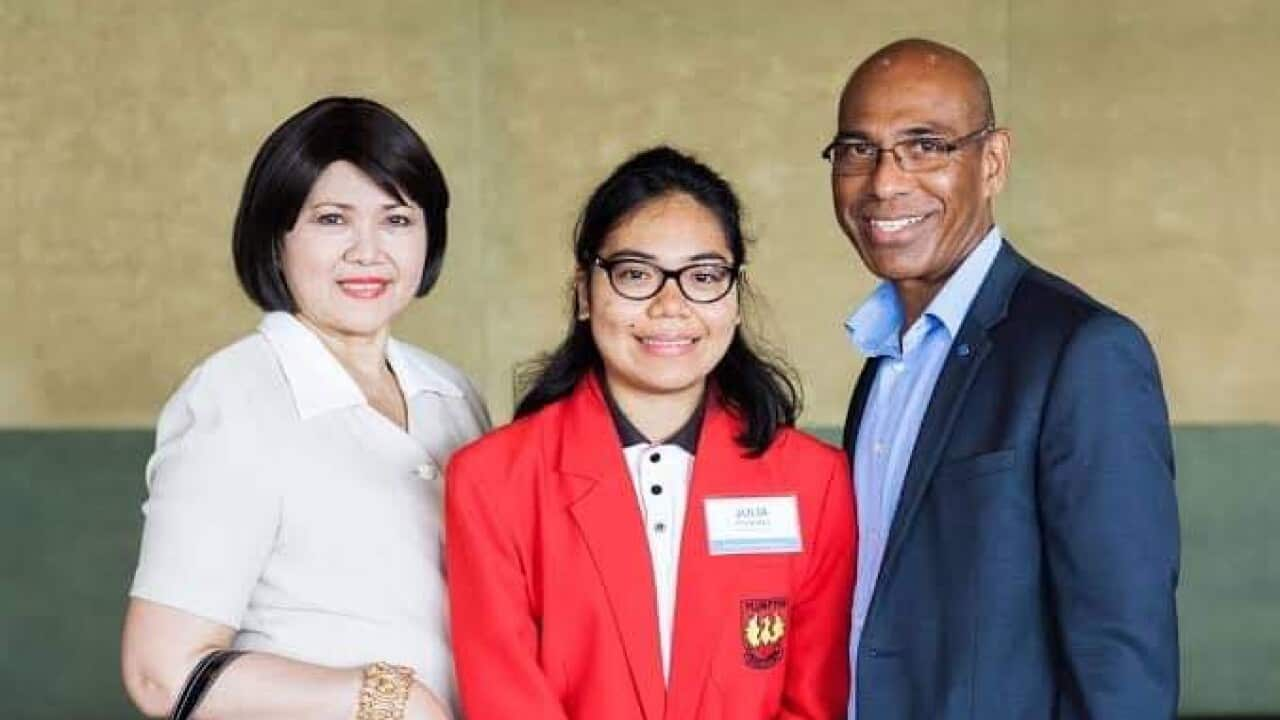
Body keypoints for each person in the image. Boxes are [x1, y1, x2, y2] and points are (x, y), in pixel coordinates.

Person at [822, 38, 1180, 719]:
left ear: (992, 162)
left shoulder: (1084, 352)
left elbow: (1122, 659)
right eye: (856, 150)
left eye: (925, 145)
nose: (885, 183)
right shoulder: (884, 363)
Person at [445, 146, 855, 719]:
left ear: (734, 299)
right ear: (586, 293)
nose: (670, 306)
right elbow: (507, 700)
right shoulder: (494, 481)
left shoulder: (815, 482)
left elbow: (812, 702)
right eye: (636, 274)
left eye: (703, 276)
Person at [121, 97, 488, 720]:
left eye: (396, 220)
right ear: (276, 236)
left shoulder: (452, 394)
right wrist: (388, 701)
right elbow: (161, 672)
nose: (368, 251)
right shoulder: (233, 396)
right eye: (332, 220)